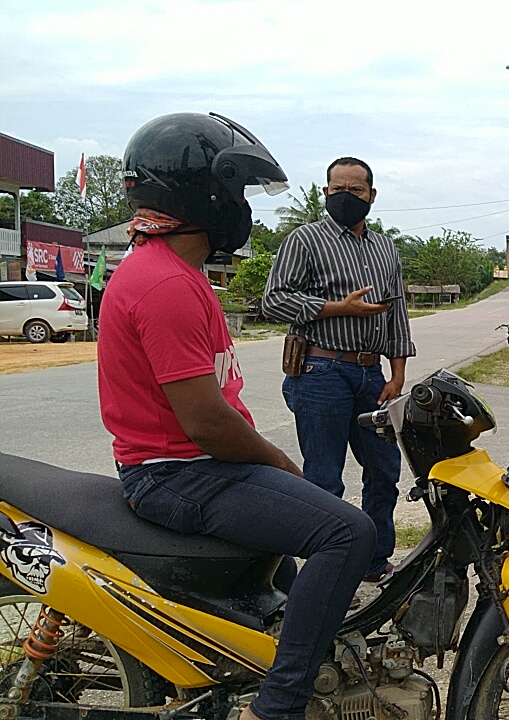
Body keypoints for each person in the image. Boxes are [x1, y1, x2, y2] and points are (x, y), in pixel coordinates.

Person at [99, 113, 375, 720]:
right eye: (240, 193)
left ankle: (264, 650)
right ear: (207, 194)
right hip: (179, 471)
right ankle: (277, 704)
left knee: (307, 523)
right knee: (347, 532)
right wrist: (279, 461)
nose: (244, 209)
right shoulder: (163, 284)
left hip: (191, 464)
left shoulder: (177, 273)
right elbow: (207, 423)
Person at [262, 157, 413, 583]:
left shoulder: (386, 249)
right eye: (337, 190)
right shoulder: (304, 240)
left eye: (356, 191)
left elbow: (396, 316)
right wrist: (335, 308)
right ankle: (323, 573)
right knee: (325, 479)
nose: (346, 197)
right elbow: (274, 300)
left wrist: (397, 375)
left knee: (384, 471)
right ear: (326, 191)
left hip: (372, 375)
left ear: (372, 195)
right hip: (320, 371)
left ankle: (374, 561)